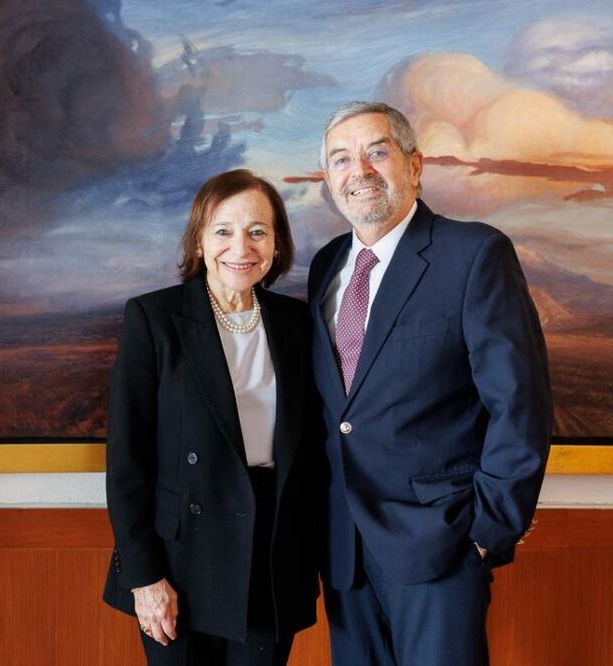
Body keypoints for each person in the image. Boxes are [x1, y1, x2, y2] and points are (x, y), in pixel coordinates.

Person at [307, 101, 553, 665]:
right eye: (341, 159)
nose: (359, 170)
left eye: (376, 152)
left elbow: (520, 405)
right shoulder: (326, 267)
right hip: (343, 550)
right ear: (328, 179)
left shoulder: (473, 254)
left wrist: (488, 531)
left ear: (414, 165)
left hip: (441, 543)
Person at [103, 169, 321, 665]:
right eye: (223, 230)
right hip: (181, 561)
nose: (241, 247)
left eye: (257, 231)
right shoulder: (153, 319)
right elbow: (127, 462)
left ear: (277, 245)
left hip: (271, 552)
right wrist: (144, 577)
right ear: (199, 241)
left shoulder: (296, 323)